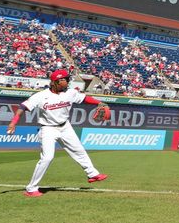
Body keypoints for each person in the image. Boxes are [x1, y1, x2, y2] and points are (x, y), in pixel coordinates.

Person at [7, 69, 109, 197]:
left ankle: (92, 174)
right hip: (48, 128)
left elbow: (84, 99)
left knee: (79, 150)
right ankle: (31, 188)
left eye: (67, 79)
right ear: (56, 82)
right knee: (47, 157)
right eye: (65, 80)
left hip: (65, 126)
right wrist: (13, 122)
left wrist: (99, 103)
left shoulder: (70, 93)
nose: (67, 82)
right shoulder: (40, 96)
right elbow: (23, 107)